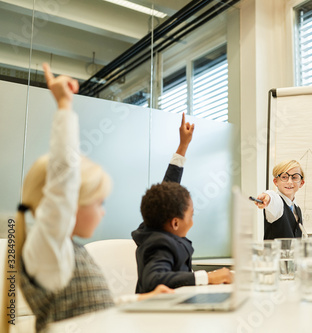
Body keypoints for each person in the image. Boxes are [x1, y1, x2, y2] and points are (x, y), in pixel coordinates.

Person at [5, 64, 172, 333]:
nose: (104, 211)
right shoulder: (48, 248)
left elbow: (94, 308)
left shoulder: (69, 249)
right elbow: (63, 183)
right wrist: (64, 107)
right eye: (98, 202)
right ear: (71, 202)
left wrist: (142, 299)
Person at [132, 116, 233, 292]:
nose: (193, 221)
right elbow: (154, 280)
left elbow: (168, 188)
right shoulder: (159, 244)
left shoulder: (154, 225)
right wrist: (207, 277)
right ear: (175, 222)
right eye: (191, 215)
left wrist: (183, 146)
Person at [254, 160, 306, 239]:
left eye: (294, 177)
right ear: (275, 181)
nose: (289, 182)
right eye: (284, 177)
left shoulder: (297, 209)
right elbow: (272, 198)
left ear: (301, 183)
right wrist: (267, 197)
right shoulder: (278, 203)